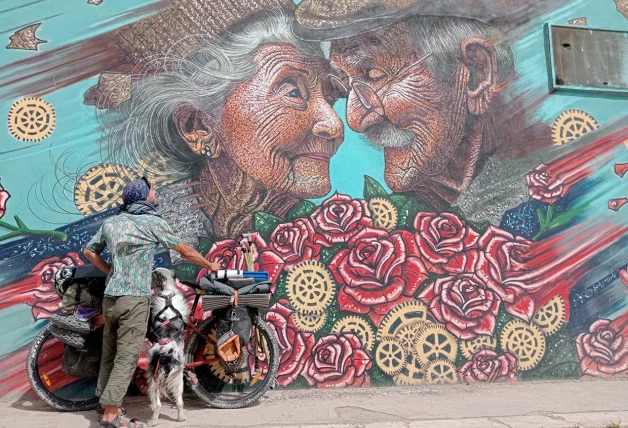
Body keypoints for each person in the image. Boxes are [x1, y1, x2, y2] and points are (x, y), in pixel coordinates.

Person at [83, 177, 220, 428]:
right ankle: (111, 415)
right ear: (143, 196)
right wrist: (210, 264)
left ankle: (104, 406)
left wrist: (111, 271)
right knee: (126, 357)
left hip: (110, 299)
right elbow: (184, 250)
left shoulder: (111, 223)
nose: (155, 192)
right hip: (133, 299)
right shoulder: (152, 222)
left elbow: (89, 251)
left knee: (109, 355)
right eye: (152, 190)